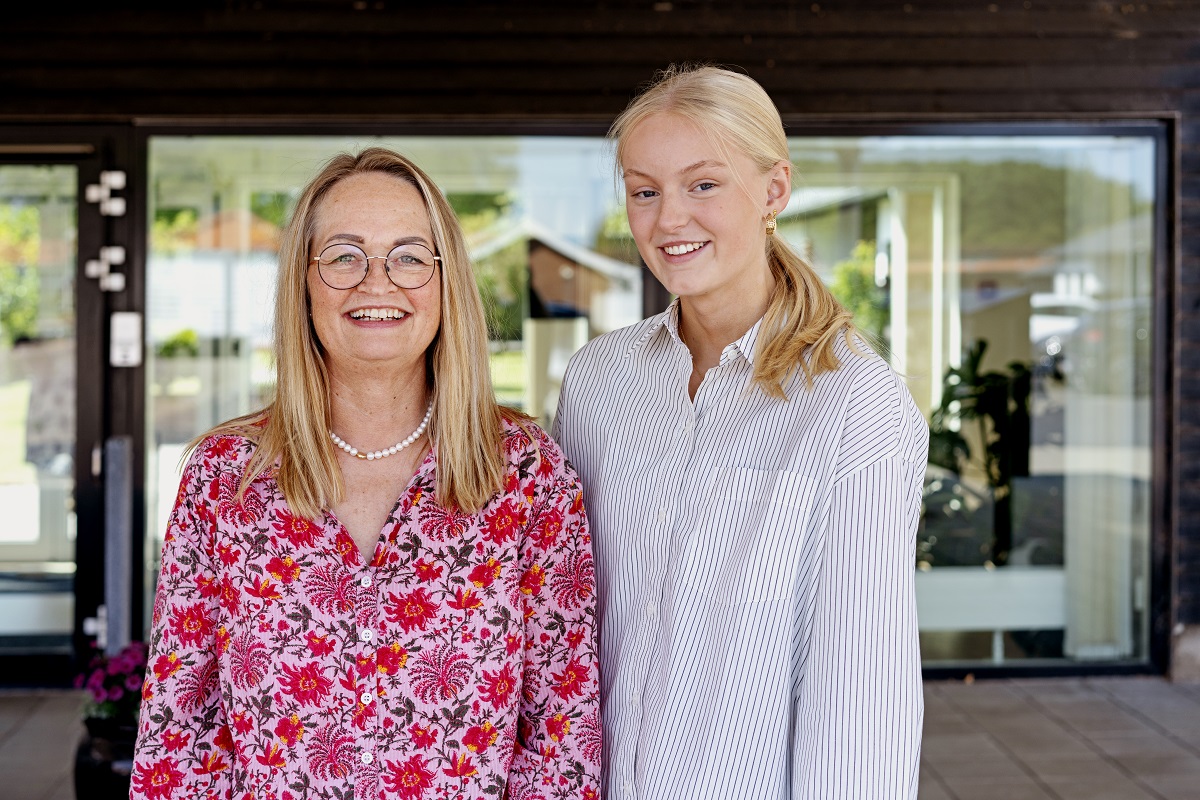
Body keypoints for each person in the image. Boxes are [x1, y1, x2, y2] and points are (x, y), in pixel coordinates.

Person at [131, 148, 601, 800]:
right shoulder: (224, 479)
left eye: (409, 256)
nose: (376, 282)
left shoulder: (527, 475)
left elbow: (562, 736)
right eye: (344, 256)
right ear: (304, 280)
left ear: (446, 283)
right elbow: (178, 735)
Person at [553, 65, 927, 799]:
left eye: (704, 185)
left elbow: (862, 698)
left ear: (774, 191)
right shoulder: (598, 382)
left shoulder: (856, 404)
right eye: (644, 191)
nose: (668, 221)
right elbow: (562, 616)